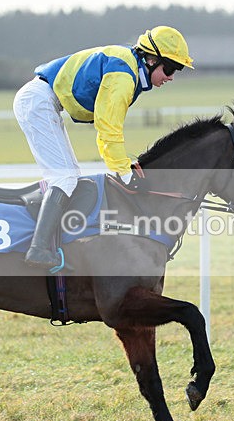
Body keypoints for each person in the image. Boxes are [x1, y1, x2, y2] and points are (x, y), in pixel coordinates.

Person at [13, 26, 194, 270]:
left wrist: (123, 166)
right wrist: (124, 172)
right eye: (170, 68)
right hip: (38, 101)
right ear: (151, 60)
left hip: (42, 100)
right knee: (65, 177)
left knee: (69, 176)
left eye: (177, 70)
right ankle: (38, 249)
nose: (171, 76)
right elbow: (108, 127)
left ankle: (48, 244)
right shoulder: (123, 76)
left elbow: (107, 126)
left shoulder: (128, 68)